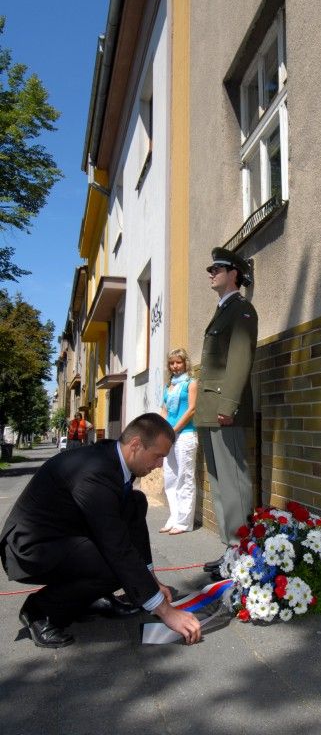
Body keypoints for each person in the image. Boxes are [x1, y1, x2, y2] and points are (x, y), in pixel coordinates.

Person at [0, 413, 201, 649]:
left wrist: (151, 581)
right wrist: (167, 612)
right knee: (115, 566)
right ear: (135, 445)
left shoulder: (113, 459)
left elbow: (130, 527)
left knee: (135, 503)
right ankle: (39, 611)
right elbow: (117, 547)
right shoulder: (95, 473)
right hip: (31, 546)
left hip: (67, 534)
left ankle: (89, 598)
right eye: (158, 456)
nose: (160, 465)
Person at [196, 247, 258, 577]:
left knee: (233, 481)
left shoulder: (241, 310)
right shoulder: (222, 311)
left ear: (233, 272)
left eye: (216, 267)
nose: (211, 272)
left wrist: (228, 405)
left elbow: (240, 358)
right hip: (210, 409)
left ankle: (242, 551)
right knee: (220, 484)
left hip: (223, 408)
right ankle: (231, 551)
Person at [159, 348, 198, 535]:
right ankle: (174, 516)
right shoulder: (168, 387)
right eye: (172, 363)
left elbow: (191, 410)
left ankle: (184, 522)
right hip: (170, 435)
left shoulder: (191, 383)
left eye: (178, 362)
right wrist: (161, 431)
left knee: (185, 477)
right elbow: (165, 411)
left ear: (185, 363)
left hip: (185, 434)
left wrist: (173, 430)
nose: (175, 366)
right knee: (170, 477)